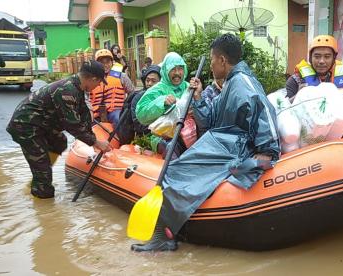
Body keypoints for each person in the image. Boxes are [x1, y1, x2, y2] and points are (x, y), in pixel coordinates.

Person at [131, 34, 280, 252]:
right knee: (173, 169)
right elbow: (210, 118)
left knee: (173, 172)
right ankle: (166, 233)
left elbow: (266, 112)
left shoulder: (244, 83)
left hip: (234, 148)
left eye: (211, 59)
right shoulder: (230, 83)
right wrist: (199, 97)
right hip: (221, 142)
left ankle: (164, 236)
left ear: (221, 60)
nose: (210, 64)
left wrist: (267, 151)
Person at [7, 61, 112, 199]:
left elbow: (84, 117)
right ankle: (41, 189)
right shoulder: (67, 91)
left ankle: (39, 176)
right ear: (93, 79)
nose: (98, 86)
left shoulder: (77, 88)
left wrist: (94, 138)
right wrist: (96, 142)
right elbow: (73, 125)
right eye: (99, 83)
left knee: (60, 141)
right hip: (26, 126)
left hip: (42, 124)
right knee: (44, 182)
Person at [286, 35, 343, 129]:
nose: (321, 61)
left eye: (327, 57)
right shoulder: (295, 80)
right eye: (317, 56)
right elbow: (284, 111)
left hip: (333, 133)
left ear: (334, 59)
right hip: (304, 134)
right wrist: (299, 97)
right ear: (310, 58)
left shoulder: (342, 82)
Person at [136, 52, 189, 157]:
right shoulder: (157, 89)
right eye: (173, 69)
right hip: (162, 136)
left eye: (180, 69)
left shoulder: (189, 87)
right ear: (166, 71)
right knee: (171, 147)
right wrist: (161, 102)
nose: (177, 73)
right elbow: (140, 113)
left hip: (188, 133)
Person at [90, 49, 135, 129]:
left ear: (112, 62)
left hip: (115, 111)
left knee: (119, 119)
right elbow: (85, 98)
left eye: (107, 62)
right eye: (101, 62)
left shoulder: (122, 76)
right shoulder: (91, 78)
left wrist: (127, 107)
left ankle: (124, 140)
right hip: (96, 113)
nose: (105, 65)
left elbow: (132, 93)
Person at [117, 64, 161, 145]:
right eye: (147, 80)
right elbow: (139, 126)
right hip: (145, 138)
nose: (149, 84)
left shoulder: (166, 95)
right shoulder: (138, 98)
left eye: (153, 81)